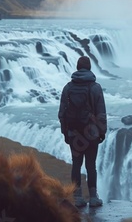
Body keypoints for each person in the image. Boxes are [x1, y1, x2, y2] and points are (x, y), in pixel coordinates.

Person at [58, 56, 107, 207]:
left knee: (76, 165)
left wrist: (65, 133)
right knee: (91, 165)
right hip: (91, 134)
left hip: (74, 134)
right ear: (90, 68)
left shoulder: (68, 87)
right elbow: (101, 113)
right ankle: (93, 198)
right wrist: (102, 132)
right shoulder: (95, 88)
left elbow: (61, 113)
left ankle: (77, 197)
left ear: (77, 68)